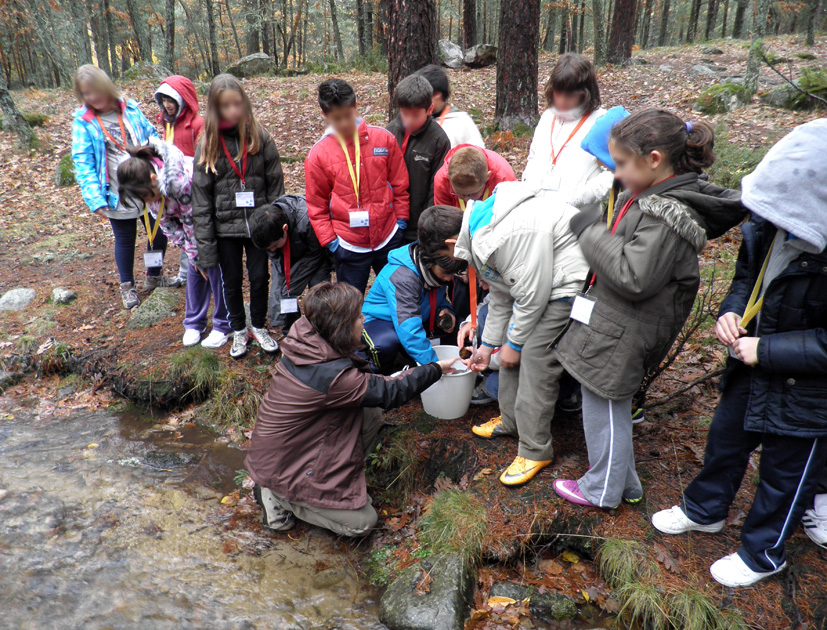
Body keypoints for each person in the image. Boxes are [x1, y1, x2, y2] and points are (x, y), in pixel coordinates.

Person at [651, 119, 827, 588]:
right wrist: (731, 314)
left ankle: (763, 553)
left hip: (808, 391)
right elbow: (746, 282)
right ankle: (704, 510)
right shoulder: (767, 227)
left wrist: (766, 349)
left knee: (783, 477)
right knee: (725, 441)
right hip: (750, 360)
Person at [551, 109, 745, 511]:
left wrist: (589, 231)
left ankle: (600, 490)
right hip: (618, 324)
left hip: (626, 329)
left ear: (654, 160)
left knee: (602, 404)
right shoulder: (651, 196)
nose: (617, 174)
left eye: (621, 163)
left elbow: (633, 277)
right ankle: (626, 483)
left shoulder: (666, 215)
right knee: (610, 402)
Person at [245, 282, 457, 536]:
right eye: (357, 317)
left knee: (370, 413)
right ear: (340, 328)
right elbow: (389, 392)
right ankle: (278, 497)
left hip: (287, 450)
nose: (364, 319)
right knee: (363, 522)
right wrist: (435, 368)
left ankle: (335, 478)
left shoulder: (308, 335)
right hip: (281, 467)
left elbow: (371, 388)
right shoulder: (330, 376)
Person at [424, 180, 590, 486]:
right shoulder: (477, 233)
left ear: (450, 241)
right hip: (541, 284)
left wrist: (514, 343)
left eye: (443, 254)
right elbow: (502, 294)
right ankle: (512, 420)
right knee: (510, 349)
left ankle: (535, 449)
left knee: (535, 359)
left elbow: (532, 295)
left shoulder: (498, 237)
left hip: (567, 282)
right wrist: (488, 346)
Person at [71, 64, 180, 311]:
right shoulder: (84, 122)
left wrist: (162, 166)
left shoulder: (129, 108)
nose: (92, 97)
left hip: (146, 184)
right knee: (125, 239)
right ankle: (127, 285)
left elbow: (151, 135)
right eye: (86, 94)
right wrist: (94, 199)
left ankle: (154, 275)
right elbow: (83, 162)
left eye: (95, 91)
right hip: (116, 192)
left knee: (160, 231)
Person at [192, 74, 284, 359]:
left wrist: (275, 228)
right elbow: (201, 203)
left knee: (259, 277)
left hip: (257, 228)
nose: (233, 111)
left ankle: (259, 325)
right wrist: (205, 253)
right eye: (226, 106)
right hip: (225, 230)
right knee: (230, 281)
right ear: (216, 109)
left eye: (237, 104)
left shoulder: (260, 136)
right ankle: (238, 330)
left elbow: (276, 186)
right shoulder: (208, 144)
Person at [117, 138, 231, 349]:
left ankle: (223, 324)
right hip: (192, 224)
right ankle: (194, 323)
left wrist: (199, 255)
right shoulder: (148, 192)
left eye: (148, 196)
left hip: (213, 215)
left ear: (154, 179)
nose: (149, 201)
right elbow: (168, 226)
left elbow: (192, 220)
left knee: (214, 267)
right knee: (195, 269)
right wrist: (192, 253)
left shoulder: (180, 182)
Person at [305, 79, 409, 294]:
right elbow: (317, 206)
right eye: (336, 118)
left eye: (348, 116)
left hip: (388, 237)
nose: (343, 123)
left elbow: (400, 185)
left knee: (396, 296)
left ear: (355, 107)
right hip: (348, 244)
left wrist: (400, 223)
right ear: (325, 115)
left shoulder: (384, 139)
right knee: (351, 304)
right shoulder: (318, 155)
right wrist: (332, 243)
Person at [361, 206, 463, 373]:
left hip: (414, 319)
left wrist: (445, 309)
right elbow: (408, 326)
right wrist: (435, 368)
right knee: (386, 344)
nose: (448, 279)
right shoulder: (403, 277)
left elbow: (437, 299)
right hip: (381, 324)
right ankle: (380, 375)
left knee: (457, 331)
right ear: (431, 261)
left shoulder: (433, 268)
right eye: (446, 273)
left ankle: (409, 362)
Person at [433, 144, 517, 324]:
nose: (468, 201)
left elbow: (505, 229)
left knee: (495, 293)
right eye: (460, 195)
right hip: (461, 242)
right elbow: (446, 226)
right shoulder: (442, 180)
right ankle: (465, 334)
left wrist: (484, 270)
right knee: (461, 291)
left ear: (487, 178)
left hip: (494, 241)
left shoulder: (504, 178)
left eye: (473, 194)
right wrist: (464, 265)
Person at [522, 54, 614, 210]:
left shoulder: (602, 122)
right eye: (558, 93)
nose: (562, 101)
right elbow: (533, 157)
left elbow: (613, 174)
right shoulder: (547, 117)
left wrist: (577, 198)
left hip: (577, 217)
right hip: (537, 211)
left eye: (570, 95)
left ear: (586, 93)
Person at [249, 196, 332, 334]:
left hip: (316, 256)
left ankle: (323, 332)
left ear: (285, 228)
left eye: (274, 245)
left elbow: (315, 255)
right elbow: (275, 258)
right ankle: (293, 333)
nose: (272, 250)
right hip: (288, 256)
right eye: (268, 248)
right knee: (284, 291)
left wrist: (293, 283)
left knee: (319, 294)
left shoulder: (306, 219)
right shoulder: (265, 229)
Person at [386, 75, 451, 242]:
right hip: (389, 223)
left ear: (429, 110)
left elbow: (437, 188)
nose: (408, 120)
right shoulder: (390, 132)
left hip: (418, 228)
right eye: (404, 114)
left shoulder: (438, 140)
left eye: (415, 115)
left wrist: (427, 226)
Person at [155, 75, 206, 286]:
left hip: (194, 187)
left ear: (183, 99)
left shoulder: (198, 124)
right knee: (180, 233)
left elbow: (203, 155)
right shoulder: (168, 125)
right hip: (173, 191)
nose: (167, 105)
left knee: (192, 230)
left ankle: (195, 273)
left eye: (171, 100)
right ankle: (186, 274)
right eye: (164, 100)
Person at [414, 64, 485, 149]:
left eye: (421, 94)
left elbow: (479, 156)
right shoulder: (415, 121)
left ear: (436, 95)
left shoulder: (462, 123)